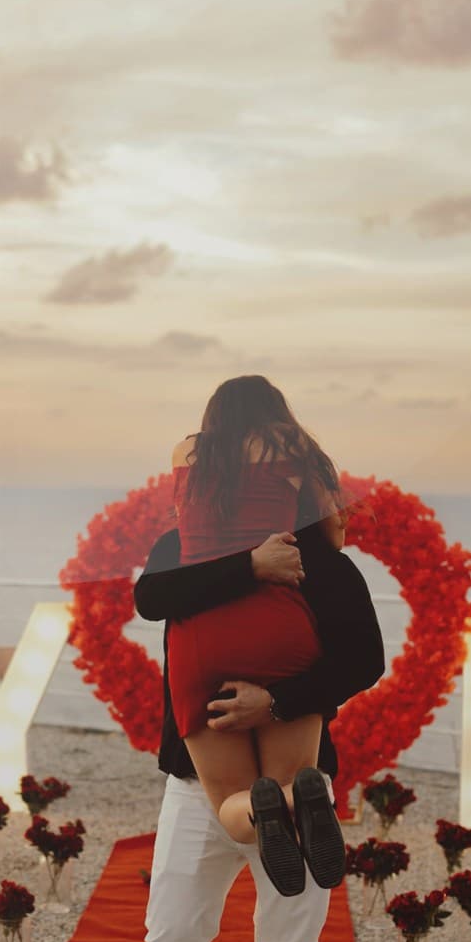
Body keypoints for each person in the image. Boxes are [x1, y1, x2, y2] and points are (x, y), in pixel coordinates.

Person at [133, 486, 385, 942]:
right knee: (172, 937)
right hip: (198, 782)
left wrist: (274, 701)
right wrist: (248, 565)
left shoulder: (312, 554)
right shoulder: (179, 544)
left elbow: (364, 658)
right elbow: (153, 597)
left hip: (296, 782)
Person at [166, 376, 353, 897]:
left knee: (229, 802)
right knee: (294, 775)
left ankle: (261, 807)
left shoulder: (187, 451)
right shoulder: (294, 446)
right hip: (279, 623)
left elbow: (185, 528)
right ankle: (303, 795)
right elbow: (332, 536)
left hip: (202, 635)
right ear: (275, 410)